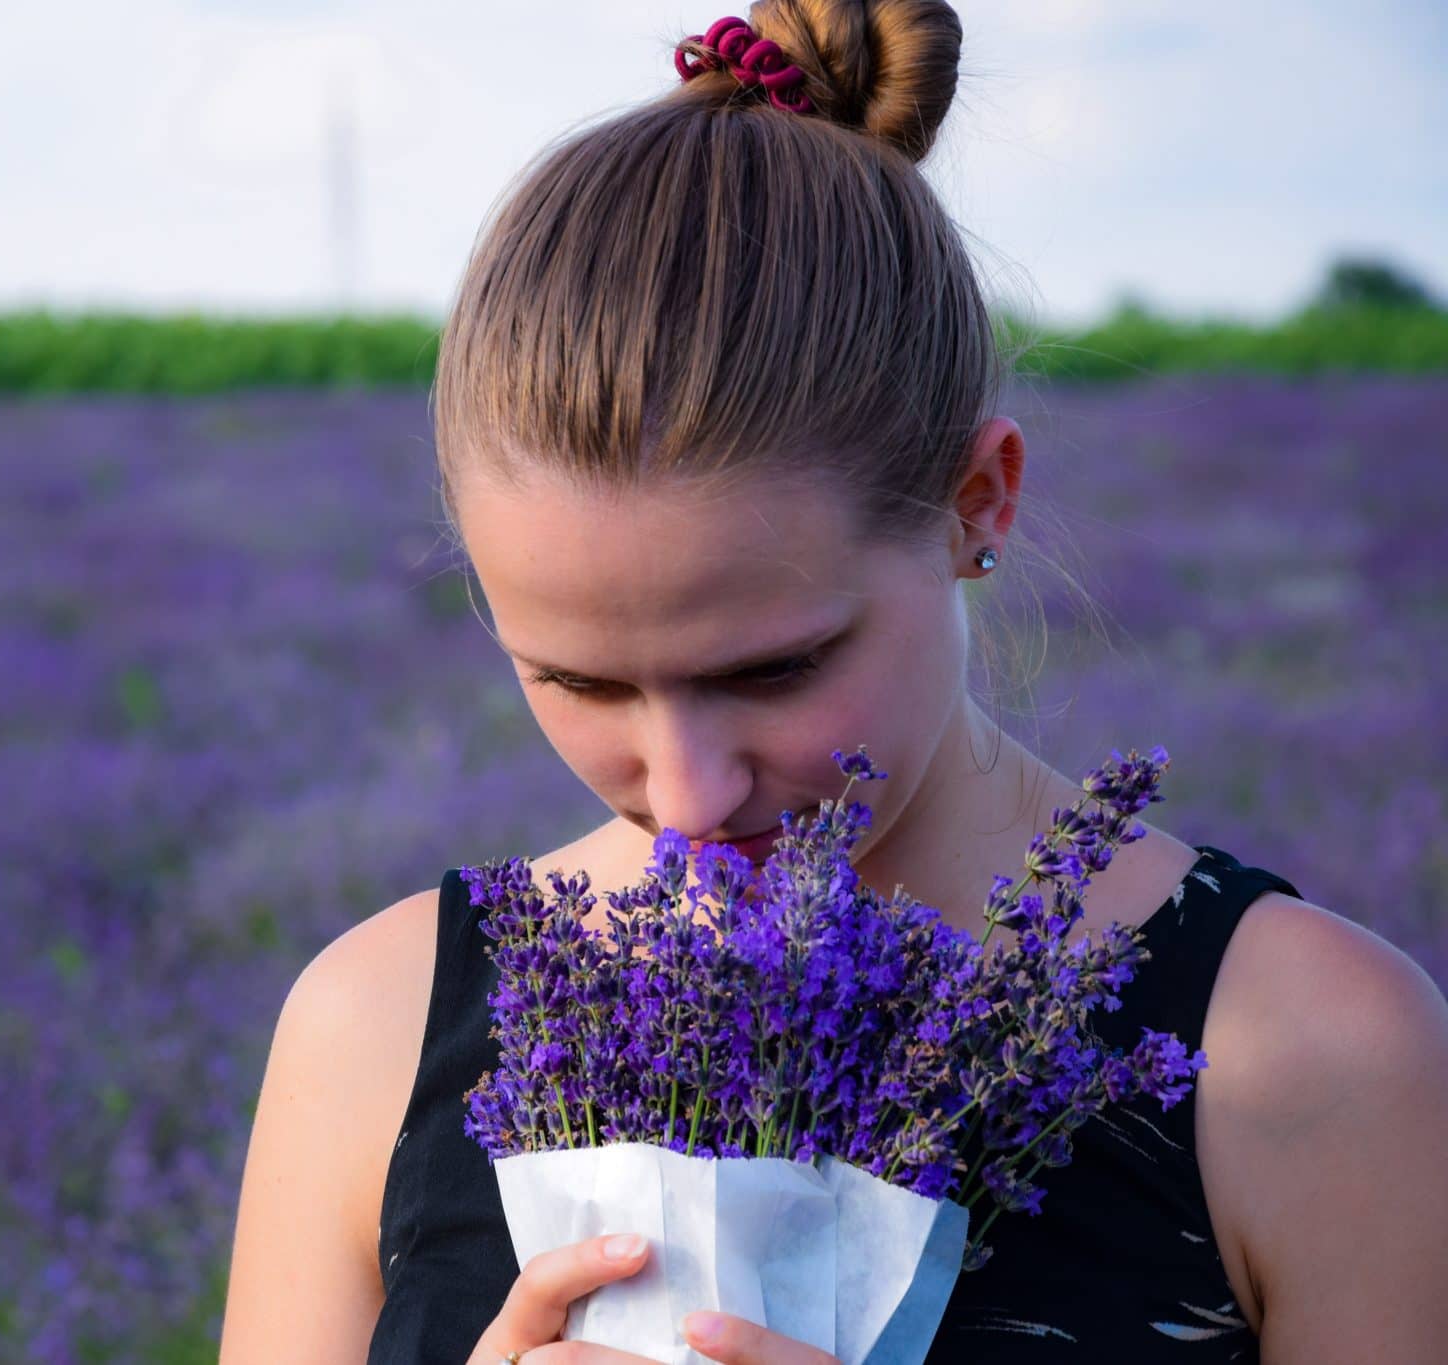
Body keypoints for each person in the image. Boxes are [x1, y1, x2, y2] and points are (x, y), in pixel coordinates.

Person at [218, 3, 1448, 1361]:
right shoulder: (375, 1029)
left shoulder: (1317, 1055)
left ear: (976, 501)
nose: (686, 794)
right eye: (578, 679)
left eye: (775, 667)